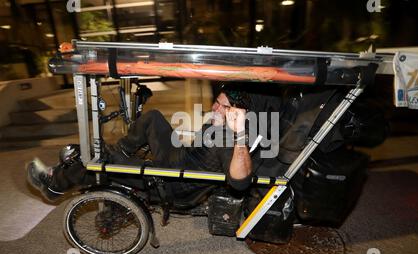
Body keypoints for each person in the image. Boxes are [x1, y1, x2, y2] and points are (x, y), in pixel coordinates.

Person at [26, 82, 276, 204]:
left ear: (239, 113)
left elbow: (241, 182)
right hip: (179, 158)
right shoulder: (220, 124)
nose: (215, 108)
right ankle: (122, 151)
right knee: (153, 118)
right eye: (217, 102)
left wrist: (239, 134)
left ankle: (54, 184)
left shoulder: (232, 139)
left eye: (223, 106)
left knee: (95, 153)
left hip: (173, 182)